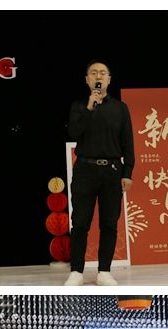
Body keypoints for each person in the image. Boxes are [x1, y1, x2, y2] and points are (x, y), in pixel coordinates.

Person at [65, 59, 135, 287]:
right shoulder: (79, 106)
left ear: (109, 79)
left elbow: (128, 142)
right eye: (93, 73)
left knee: (109, 223)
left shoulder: (120, 108)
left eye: (103, 73)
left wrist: (127, 172)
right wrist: (89, 107)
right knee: (80, 222)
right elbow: (74, 132)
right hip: (85, 169)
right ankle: (76, 271)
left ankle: (104, 271)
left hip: (112, 171)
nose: (98, 76)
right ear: (87, 80)